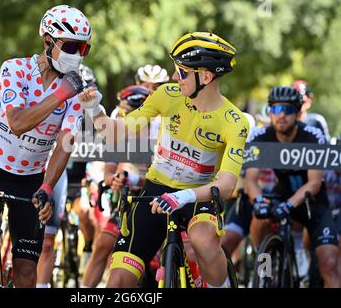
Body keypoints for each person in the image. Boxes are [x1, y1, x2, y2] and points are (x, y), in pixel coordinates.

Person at [79, 32, 249, 288]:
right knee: (117, 283)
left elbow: (226, 185)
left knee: (202, 241)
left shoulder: (234, 121)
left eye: (181, 72)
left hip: (199, 195)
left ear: (205, 76)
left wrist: (184, 197)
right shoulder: (167, 96)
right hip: (157, 190)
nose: (173, 77)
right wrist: (94, 109)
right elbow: (115, 133)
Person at [0, 4, 92, 288]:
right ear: (47, 40)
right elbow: (17, 122)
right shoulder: (16, 69)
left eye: (83, 49)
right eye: (71, 46)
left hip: (30, 180)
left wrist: (47, 187)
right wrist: (61, 94)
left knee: (25, 272)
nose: (77, 55)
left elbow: (65, 143)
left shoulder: (76, 89)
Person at [245, 86, 339, 287]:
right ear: (270, 112)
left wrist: (289, 205)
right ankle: (265, 270)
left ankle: (300, 254)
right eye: (276, 110)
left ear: (297, 113)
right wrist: (259, 200)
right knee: (259, 219)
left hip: (310, 201)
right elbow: (250, 180)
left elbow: (314, 183)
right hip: (282, 191)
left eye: (288, 110)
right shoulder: (260, 137)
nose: (282, 116)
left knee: (330, 264)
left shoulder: (312, 136)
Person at [81, 85, 151, 288]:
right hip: (128, 203)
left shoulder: (159, 135)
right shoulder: (120, 137)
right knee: (103, 244)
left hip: (154, 200)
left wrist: (135, 179)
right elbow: (109, 171)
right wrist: (114, 180)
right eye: (121, 113)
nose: (122, 117)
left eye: (127, 114)